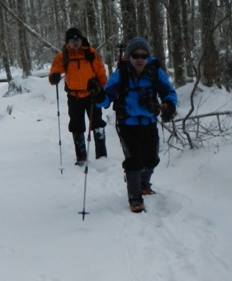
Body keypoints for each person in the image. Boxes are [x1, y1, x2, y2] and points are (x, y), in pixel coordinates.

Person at [94, 37, 178, 213]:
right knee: (134, 161)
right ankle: (135, 197)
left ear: (148, 56)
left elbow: (168, 91)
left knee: (152, 159)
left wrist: (169, 104)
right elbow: (106, 99)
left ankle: (144, 184)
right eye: (135, 55)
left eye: (143, 55)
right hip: (127, 124)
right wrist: (98, 95)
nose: (139, 59)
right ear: (129, 57)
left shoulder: (154, 72)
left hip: (149, 122)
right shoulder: (121, 74)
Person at [48, 27, 108, 165]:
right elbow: (55, 70)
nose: (75, 43)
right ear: (67, 42)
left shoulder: (90, 53)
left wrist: (103, 89)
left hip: (91, 94)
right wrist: (54, 77)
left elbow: (100, 71)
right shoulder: (64, 55)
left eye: (77, 39)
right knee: (76, 125)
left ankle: (101, 154)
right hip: (74, 96)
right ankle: (81, 156)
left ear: (81, 40)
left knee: (97, 122)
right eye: (72, 40)